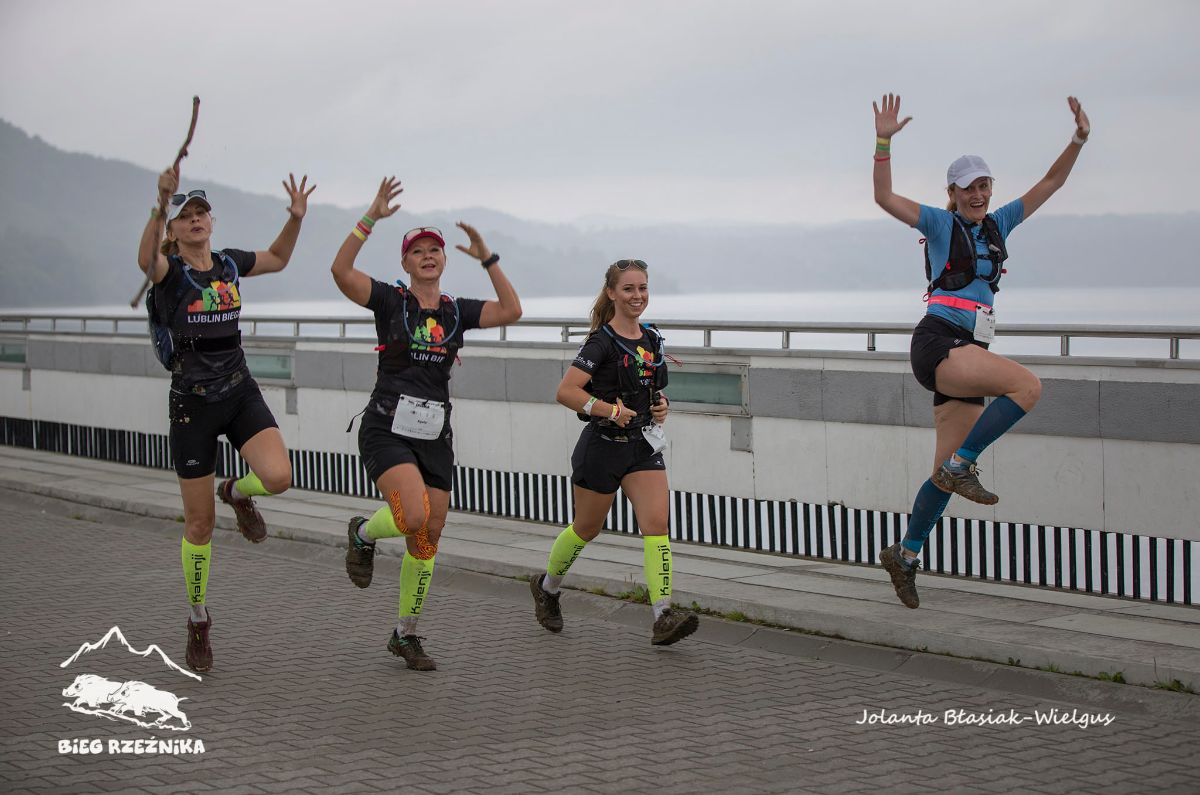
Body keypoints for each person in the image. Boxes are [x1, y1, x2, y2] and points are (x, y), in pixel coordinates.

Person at [870, 93, 1091, 608]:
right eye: (969, 187)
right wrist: (883, 143)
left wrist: (1078, 139)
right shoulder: (940, 224)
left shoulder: (1000, 223)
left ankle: (905, 554)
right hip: (938, 343)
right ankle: (963, 465)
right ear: (952, 191)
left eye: (985, 185)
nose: (978, 194)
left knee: (940, 472)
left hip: (967, 349)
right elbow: (884, 199)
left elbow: (1052, 183)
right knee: (1027, 386)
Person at [334, 177, 522, 671]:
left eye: (433, 250)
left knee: (429, 533)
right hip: (386, 428)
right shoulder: (390, 301)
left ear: (443, 259)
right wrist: (370, 217)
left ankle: (406, 634)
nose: (427, 256)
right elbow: (341, 271)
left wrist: (489, 258)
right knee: (410, 515)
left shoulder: (458, 312)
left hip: (435, 435)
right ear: (405, 263)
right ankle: (363, 534)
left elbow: (512, 311)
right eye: (417, 251)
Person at [136, 166, 316, 670]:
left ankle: (238, 492)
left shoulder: (229, 264)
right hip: (192, 404)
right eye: (184, 217)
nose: (194, 221)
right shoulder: (171, 275)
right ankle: (197, 619)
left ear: (211, 221)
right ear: (173, 230)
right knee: (200, 524)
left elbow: (278, 258)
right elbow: (144, 259)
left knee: (278, 477)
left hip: (239, 393)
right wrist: (160, 200)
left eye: (200, 213)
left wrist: (296, 218)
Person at [528, 259, 699, 646]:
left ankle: (663, 615)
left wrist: (661, 407)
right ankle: (547, 587)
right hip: (601, 448)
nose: (637, 296)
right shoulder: (600, 342)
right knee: (587, 528)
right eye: (628, 289)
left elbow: (655, 389)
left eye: (642, 288)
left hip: (641, 446)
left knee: (657, 525)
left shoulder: (652, 340)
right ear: (611, 293)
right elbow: (566, 392)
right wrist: (609, 410)